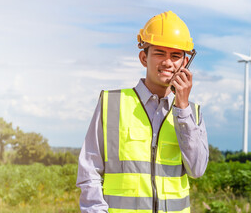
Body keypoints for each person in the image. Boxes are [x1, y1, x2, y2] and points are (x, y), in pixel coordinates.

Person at [76, 11, 209, 213]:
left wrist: (182, 109)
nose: (167, 62)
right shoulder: (111, 103)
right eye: (159, 53)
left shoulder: (193, 113)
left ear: (185, 63)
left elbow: (197, 169)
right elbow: (89, 171)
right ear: (143, 57)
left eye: (175, 56)